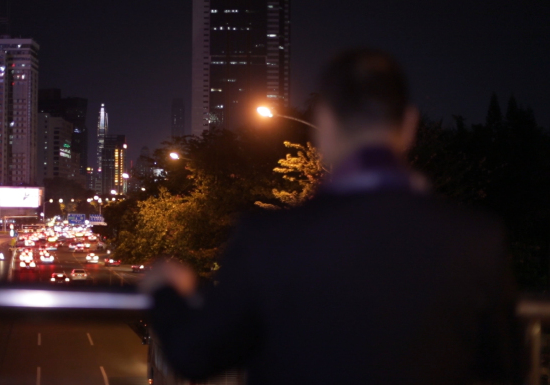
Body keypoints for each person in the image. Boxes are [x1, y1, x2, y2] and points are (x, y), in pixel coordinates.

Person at [141, 48, 520, 384]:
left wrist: (167, 290)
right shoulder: (477, 239)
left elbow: (196, 355)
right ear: (409, 125)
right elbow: (503, 366)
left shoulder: (269, 237)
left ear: (324, 125)